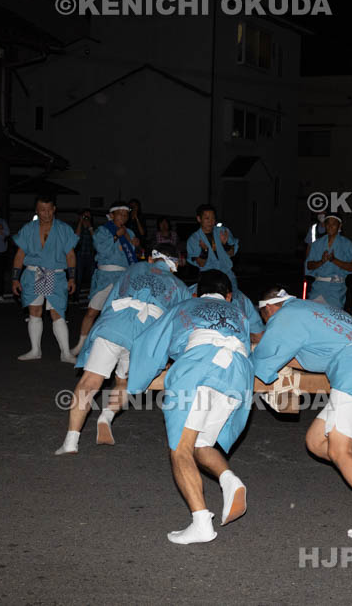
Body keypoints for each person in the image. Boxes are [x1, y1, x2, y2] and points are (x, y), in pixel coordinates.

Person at [254, 290, 352, 540]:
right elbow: (317, 358)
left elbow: (265, 355)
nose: (270, 325)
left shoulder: (286, 315)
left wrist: (254, 365)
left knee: (339, 450)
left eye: (266, 319)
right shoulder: (314, 310)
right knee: (315, 441)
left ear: (269, 309)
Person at [127, 270, 253, 544]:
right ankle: (229, 479)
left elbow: (151, 344)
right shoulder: (239, 314)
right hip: (237, 375)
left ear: (196, 293)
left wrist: (135, 381)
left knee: (180, 449)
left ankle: (201, 523)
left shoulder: (185, 306)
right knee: (201, 444)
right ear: (228, 296)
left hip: (200, 370)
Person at [55, 245, 189, 455]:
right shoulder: (179, 286)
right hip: (145, 334)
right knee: (125, 382)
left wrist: (98, 330)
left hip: (114, 324)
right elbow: (176, 325)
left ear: (153, 258)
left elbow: (112, 299)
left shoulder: (133, 269)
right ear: (174, 263)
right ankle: (106, 416)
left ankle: (71, 441)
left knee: (89, 382)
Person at [11, 195, 79, 362]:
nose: (46, 213)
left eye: (49, 210)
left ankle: (65, 353)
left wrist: (72, 278)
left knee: (57, 312)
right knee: (35, 311)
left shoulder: (63, 229)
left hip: (54, 273)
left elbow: (70, 255)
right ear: (36, 210)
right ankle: (35, 350)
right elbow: (20, 254)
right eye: (42, 210)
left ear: (54, 209)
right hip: (35, 272)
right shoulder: (29, 228)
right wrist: (15, 278)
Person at [71, 202, 139, 356]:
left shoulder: (129, 232)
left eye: (126, 214)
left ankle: (118, 348)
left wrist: (134, 243)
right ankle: (81, 345)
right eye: (120, 213)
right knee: (92, 311)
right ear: (112, 215)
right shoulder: (103, 230)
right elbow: (101, 249)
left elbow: (133, 256)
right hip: (105, 277)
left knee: (121, 314)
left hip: (123, 277)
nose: (123, 216)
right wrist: (116, 236)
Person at [186, 278, 265, 347]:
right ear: (195, 296)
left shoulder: (240, 302)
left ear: (229, 297)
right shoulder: (186, 299)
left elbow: (258, 336)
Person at [304, 215, 352, 308]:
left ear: (339, 226)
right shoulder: (317, 244)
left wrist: (334, 260)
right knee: (313, 316)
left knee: (331, 319)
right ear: (325, 225)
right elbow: (309, 265)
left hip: (336, 290)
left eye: (334, 224)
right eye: (328, 224)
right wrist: (322, 261)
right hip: (318, 289)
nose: (330, 226)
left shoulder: (346, 244)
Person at [186, 204, 239, 289]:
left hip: (227, 275)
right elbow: (201, 263)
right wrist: (204, 251)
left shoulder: (222, 231)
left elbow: (232, 253)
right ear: (199, 219)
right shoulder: (194, 239)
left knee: (231, 299)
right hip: (208, 278)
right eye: (207, 218)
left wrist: (225, 245)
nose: (211, 221)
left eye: (213, 218)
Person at [73, 209, 96, 303]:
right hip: (80, 255)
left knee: (92, 277)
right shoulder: (79, 226)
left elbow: (95, 238)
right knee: (78, 277)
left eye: (88, 217)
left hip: (90, 255)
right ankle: (75, 297)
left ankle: (92, 297)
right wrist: (80, 222)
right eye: (85, 216)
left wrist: (90, 226)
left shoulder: (93, 228)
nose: (86, 218)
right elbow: (76, 237)